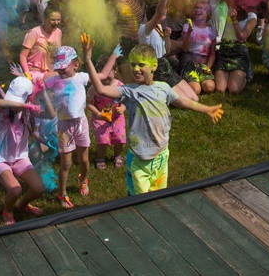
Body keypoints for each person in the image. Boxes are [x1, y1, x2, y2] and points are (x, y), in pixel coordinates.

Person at [82, 35, 223, 196]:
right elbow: (100, 89)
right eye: (133, 65)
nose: (135, 69)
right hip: (139, 158)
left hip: (161, 155)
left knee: (158, 197)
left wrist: (206, 109)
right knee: (139, 200)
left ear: (154, 66)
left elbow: (184, 101)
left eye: (141, 65)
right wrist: (87, 60)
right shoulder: (129, 91)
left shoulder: (163, 88)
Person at [0, 76, 46, 225]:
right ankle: (7, 211)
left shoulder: (28, 111)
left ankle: (23, 205)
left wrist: (42, 94)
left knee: (38, 188)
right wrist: (23, 105)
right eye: (13, 99)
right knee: (15, 189)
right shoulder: (2, 109)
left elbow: (50, 113)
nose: (15, 105)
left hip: (20, 157)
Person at [51, 46, 91, 208]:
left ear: (75, 64)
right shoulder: (54, 80)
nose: (60, 71)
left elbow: (101, 76)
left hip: (81, 123)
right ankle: (62, 194)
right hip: (64, 126)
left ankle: (83, 178)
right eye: (58, 68)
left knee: (84, 159)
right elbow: (37, 86)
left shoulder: (81, 77)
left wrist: (113, 59)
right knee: (65, 164)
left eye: (64, 67)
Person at [87, 61, 126, 170]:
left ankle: (117, 155)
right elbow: (88, 102)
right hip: (101, 118)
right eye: (102, 72)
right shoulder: (95, 87)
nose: (105, 75)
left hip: (116, 117)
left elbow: (125, 99)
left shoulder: (119, 86)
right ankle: (100, 157)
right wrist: (97, 113)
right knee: (102, 140)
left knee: (120, 139)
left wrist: (122, 107)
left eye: (109, 71)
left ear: (115, 70)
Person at [177, 1, 217, 96]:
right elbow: (185, 49)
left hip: (203, 65)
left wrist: (208, 67)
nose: (198, 10)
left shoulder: (212, 30)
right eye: (196, 8)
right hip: (189, 64)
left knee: (209, 88)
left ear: (208, 13)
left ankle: (199, 81)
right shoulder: (187, 27)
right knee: (196, 90)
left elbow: (212, 53)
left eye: (202, 8)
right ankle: (190, 82)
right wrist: (189, 33)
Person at [19, 10, 63, 82]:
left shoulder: (58, 32)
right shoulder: (34, 32)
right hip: (35, 73)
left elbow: (58, 54)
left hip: (51, 73)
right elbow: (23, 55)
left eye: (58, 20)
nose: (56, 23)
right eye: (53, 20)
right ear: (44, 19)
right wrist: (27, 73)